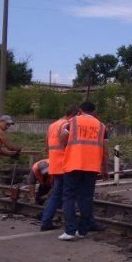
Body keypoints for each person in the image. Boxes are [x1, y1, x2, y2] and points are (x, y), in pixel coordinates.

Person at [58, 102, 108, 241]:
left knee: (68, 197)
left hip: (73, 164)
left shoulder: (72, 122)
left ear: (80, 110)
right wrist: (105, 168)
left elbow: (62, 139)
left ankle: (69, 231)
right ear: (94, 111)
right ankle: (83, 231)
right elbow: (106, 151)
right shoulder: (101, 126)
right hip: (92, 167)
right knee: (86, 198)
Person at [39, 105, 79, 231]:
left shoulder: (53, 125)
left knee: (57, 193)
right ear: (74, 114)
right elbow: (66, 142)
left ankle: (46, 220)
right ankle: (65, 223)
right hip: (64, 163)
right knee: (65, 194)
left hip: (55, 163)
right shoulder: (67, 124)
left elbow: (47, 145)